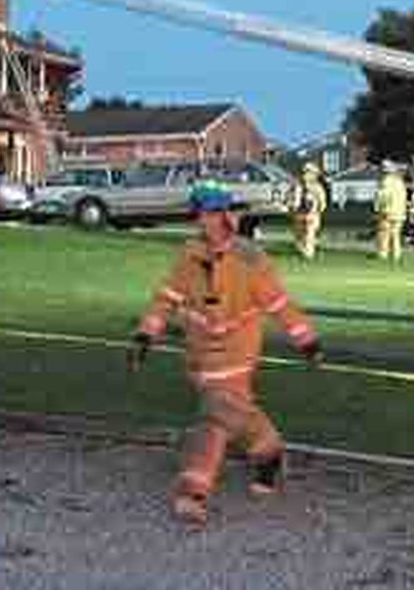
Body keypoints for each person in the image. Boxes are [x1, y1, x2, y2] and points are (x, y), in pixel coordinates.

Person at [128, 180, 323, 526]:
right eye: (199, 214)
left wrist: (307, 341)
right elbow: (167, 299)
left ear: (225, 216)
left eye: (208, 213)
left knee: (214, 420)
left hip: (236, 355)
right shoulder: (189, 255)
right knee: (237, 413)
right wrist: (145, 336)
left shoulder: (250, 259)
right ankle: (269, 454)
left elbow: (279, 304)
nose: (201, 221)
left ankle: (193, 492)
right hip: (201, 356)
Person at [290, 162, 327, 260]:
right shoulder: (298, 187)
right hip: (300, 214)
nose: (305, 175)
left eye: (309, 173)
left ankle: (309, 253)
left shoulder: (318, 188)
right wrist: (294, 207)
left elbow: (323, 203)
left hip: (312, 215)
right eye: (305, 173)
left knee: (310, 233)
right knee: (299, 236)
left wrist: (317, 211)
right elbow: (295, 202)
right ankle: (304, 250)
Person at [373, 160, 408, 262]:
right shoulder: (400, 182)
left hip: (387, 211)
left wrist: (378, 208)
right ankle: (397, 254)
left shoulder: (386, 181)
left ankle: (383, 254)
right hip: (400, 211)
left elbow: (383, 197)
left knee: (384, 233)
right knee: (396, 234)